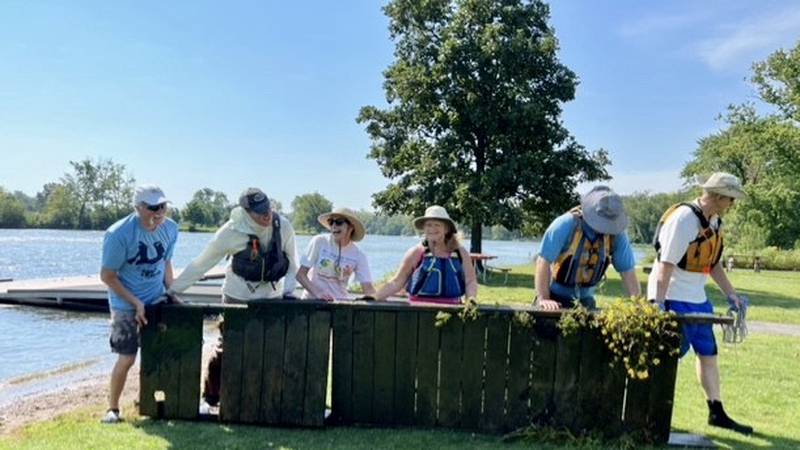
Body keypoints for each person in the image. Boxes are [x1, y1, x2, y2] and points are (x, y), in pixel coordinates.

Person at [168, 187, 298, 410]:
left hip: (272, 297)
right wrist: (172, 291)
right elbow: (202, 264)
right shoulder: (229, 232)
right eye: (259, 212)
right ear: (246, 212)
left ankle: (263, 398)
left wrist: (289, 293)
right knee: (226, 348)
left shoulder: (283, 226)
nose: (266, 215)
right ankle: (210, 399)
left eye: (268, 209)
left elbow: (292, 262)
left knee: (270, 348)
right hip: (236, 295)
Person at [647, 172, 752, 435]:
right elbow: (665, 265)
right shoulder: (683, 219)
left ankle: (716, 412)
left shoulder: (715, 222)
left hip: (697, 298)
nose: (732, 204)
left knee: (708, 353)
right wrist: (657, 305)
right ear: (716, 196)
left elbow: (712, 263)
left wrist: (731, 294)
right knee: (666, 358)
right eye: (730, 198)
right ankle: (650, 413)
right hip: (671, 296)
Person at [100, 185, 179, 423]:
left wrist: (172, 292)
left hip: (156, 300)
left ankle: (150, 401)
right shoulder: (119, 234)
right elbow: (107, 276)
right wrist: (135, 303)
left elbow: (166, 261)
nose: (159, 212)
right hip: (125, 303)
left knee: (158, 353)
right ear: (138, 208)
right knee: (127, 357)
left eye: (163, 206)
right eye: (153, 207)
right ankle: (112, 409)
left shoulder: (171, 229)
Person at [534, 186, 640, 310]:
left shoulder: (617, 235)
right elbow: (543, 261)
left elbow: (628, 272)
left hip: (586, 302)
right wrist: (544, 299)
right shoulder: (565, 224)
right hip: (554, 298)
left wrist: (637, 306)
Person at [372, 205, 477, 304]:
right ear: (424, 228)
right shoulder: (416, 252)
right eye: (428, 225)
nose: (432, 229)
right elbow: (397, 282)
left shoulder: (460, 253)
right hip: (418, 312)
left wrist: (470, 301)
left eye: (437, 225)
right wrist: (375, 297)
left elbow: (470, 281)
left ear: (446, 229)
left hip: (452, 310)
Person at [296, 207, 376, 300]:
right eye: (331, 222)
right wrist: (318, 294)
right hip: (311, 301)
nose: (334, 226)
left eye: (339, 222)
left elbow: (368, 288)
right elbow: (300, 275)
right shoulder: (319, 241)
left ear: (351, 227)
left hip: (338, 305)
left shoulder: (358, 255)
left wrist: (380, 298)